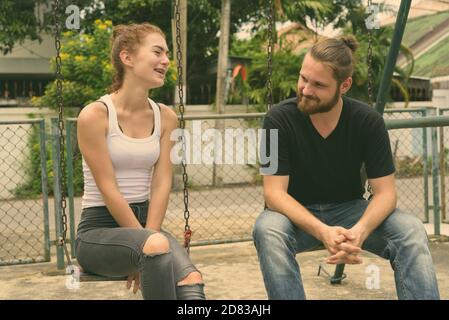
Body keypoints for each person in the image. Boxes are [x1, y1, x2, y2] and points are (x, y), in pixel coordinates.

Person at [253, 36, 440, 300]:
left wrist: (360, 231)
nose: (306, 89)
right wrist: (323, 231)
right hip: (296, 215)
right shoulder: (278, 120)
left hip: (350, 209)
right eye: (303, 78)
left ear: (345, 85)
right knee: (267, 229)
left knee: (410, 229)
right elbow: (273, 194)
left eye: (318, 84)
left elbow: (386, 193)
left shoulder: (368, 121)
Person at [75, 23, 205, 300]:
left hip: (148, 225)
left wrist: (146, 240)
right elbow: (108, 187)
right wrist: (144, 245)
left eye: (167, 53)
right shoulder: (95, 115)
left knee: (190, 277)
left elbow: (162, 181)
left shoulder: (166, 117)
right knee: (155, 247)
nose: (166, 60)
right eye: (157, 51)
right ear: (128, 58)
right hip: (98, 232)